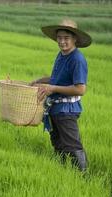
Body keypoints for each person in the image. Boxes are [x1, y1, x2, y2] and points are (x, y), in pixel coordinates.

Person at [31, 19, 92, 172]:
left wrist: (52, 88)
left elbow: (80, 89)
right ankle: (63, 172)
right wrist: (38, 81)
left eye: (66, 38)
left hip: (67, 110)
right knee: (58, 144)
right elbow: (57, 79)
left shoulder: (77, 59)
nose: (62, 41)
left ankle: (83, 176)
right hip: (55, 109)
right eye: (59, 38)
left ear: (75, 39)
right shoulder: (61, 55)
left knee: (72, 145)